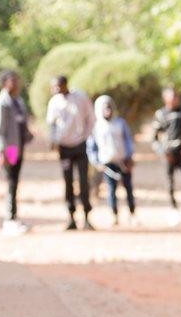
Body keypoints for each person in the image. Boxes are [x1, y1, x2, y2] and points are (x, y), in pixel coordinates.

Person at [45, 75, 95, 231]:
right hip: (64, 148)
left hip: (80, 145)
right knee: (68, 182)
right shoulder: (54, 102)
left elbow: (90, 118)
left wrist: (86, 136)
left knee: (83, 180)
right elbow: (51, 124)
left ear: (65, 84)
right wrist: (53, 141)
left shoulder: (80, 97)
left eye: (57, 86)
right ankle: (71, 217)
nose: (55, 90)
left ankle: (87, 216)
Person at [0, 70, 32, 235]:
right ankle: (9, 219)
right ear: (4, 83)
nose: (15, 84)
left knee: (15, 182)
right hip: (8, 150)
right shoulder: (1, 104)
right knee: (11, 182)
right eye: (12, 81)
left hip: (18, 147)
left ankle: (13, 217)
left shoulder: (17, 102)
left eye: (16, 80)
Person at [151, 86, 181, 226]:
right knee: (170, 183)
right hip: (168, 154)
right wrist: (163, 152)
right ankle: (173, 209)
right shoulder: (161, 114)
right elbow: (154, 139)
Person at [89, 95, 137, 226]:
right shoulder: (97, 127)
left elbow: (128, 141)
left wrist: (130, 157)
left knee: (128, 188)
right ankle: (114, 215)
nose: (107, 111)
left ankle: (132, 214)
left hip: (123, 161)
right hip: (108, 164)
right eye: (104, 108)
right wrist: (96, 162)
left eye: (109, 107)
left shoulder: (120, 123)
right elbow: (91, 147)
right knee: (111, 190)